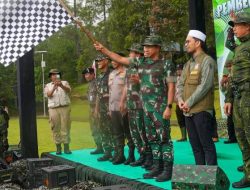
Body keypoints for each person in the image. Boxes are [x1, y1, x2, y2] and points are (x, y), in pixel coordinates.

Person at [94, 35, 176, 182]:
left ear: (157, 47)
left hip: (160, 108)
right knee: (152, 139)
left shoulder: (167, 64)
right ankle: (157, 167)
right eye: (144, 46)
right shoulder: (140, 62)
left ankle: (167, 170)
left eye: (149, 46)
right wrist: (104, 50)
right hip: (145, 109)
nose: (145, 49)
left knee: (164, 140)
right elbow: (119, 59)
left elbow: (171, 87)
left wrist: (169, 107)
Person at [176, 30, 217, 166]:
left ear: (198, 43)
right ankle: (201, 177)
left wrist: (188, 102)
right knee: (195, 147)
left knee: (207, 146)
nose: (186, 44)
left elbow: (205, 85)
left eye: (188, 41)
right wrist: (180, 100)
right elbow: (180, 84)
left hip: (202, 111)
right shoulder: (188, 64)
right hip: (187, 111)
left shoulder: (207, 61)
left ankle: (211, 180)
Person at [224, 12, 250, 188]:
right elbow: (228, 42)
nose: (234, 28)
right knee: (242, 137)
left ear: (248, 26)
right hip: (239, 96)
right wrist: (228, 98)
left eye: (237, 25)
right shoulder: (239, 47)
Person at [120, 43, 151, 168]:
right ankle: (142, 155)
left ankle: (149, 157)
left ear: (138, 54)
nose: (129, 55)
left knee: (143, 132)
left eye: (131, 52)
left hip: (141, 105)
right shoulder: (130, 69)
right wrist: (123, 102)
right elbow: (126, 87)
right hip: (131, 105)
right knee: (134, 133)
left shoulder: (144, 67)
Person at [108, 54, 135, 165]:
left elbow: (129, 89)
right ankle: (120, 155)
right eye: (111, 60)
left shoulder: (127, 72)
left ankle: (131, 155)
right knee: (117, 132)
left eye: (115, 60)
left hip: (124, 108)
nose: (113, 62)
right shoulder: (112, 74)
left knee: (128, 132)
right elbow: (110, 91)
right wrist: (109, 107)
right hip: (113, 107)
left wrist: (126, 105)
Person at [44, 69, 72, 154]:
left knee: (65, 127)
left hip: (65, 108)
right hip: (53, 109)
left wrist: (61, 86)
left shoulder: (65, 83)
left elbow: (69, 91)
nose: (55, 76)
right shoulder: (48, 85)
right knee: (55, 128)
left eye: (56, 74)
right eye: (53, 74)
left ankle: (66, 147)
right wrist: (54, 87)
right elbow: (48, 95)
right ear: (50, 77)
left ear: (59, 75)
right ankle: (58, 147)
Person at [94, 54, 113, 162]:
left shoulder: (112, 74)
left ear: (106, 60)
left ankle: (117, 153)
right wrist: (96, 109)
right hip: (101, 108)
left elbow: (115, 92)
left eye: (100, 60)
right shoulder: (99, 77)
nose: (98, 62)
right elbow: (98, 94)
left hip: (111, 107)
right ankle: (107, 152)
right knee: (103, 130)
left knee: (113, 130)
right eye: (97, 61)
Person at [82, 67, 103, 154]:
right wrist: (80, 97)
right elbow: (90, 97)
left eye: (88, 74)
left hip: (98, 108)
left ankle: (107, 147)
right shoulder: (90, 84)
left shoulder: (97, 82)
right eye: (85, 75)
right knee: (94, 128)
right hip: (91, 109)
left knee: (101, 128)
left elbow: (99, 95)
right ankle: (99, 147)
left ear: (93, 74)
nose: (86, 76)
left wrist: (96, 110)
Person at [220, 61, 237, 144]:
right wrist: (222, 84)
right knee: (230, 121)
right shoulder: (226, 77)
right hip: (229, 100)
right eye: (227, 66)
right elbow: (223, 90)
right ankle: (232, 137)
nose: (229, 68)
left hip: (238, 100)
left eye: (230, 66)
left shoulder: (238, 74)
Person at [175, 64, 187, 142]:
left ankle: (192, 136)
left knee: (188, 118)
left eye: (180, 69)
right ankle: (183, 136)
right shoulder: (175, 79)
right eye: (177, 69)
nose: (178, 71)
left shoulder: (186, 78)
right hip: (178, 102)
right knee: (180, 119)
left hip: (186, 101)